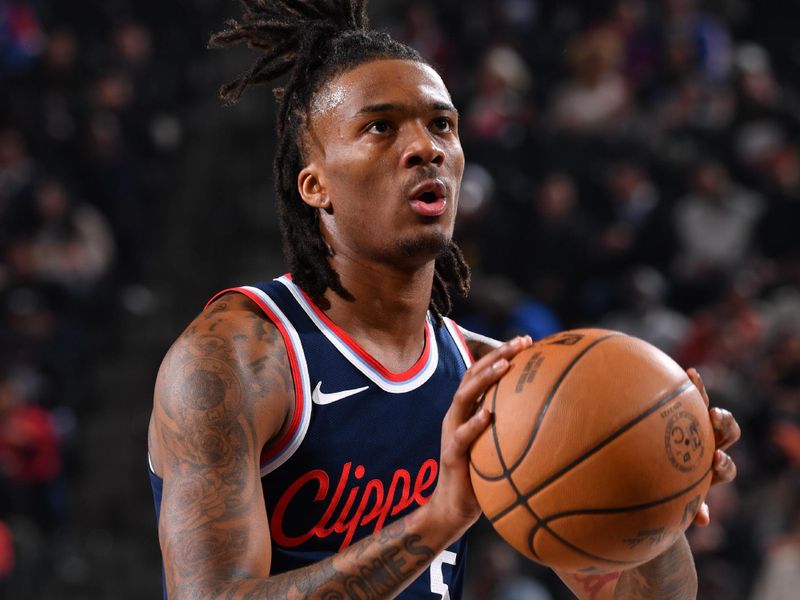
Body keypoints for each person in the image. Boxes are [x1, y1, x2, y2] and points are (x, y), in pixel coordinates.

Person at [146, 1, 741, 598]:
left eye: (442, 125)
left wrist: (661, 493)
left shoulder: (492, 382)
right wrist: (437, 522)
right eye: (381, 126)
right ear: (315, 184)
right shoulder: (234, 358)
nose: (424, 147)